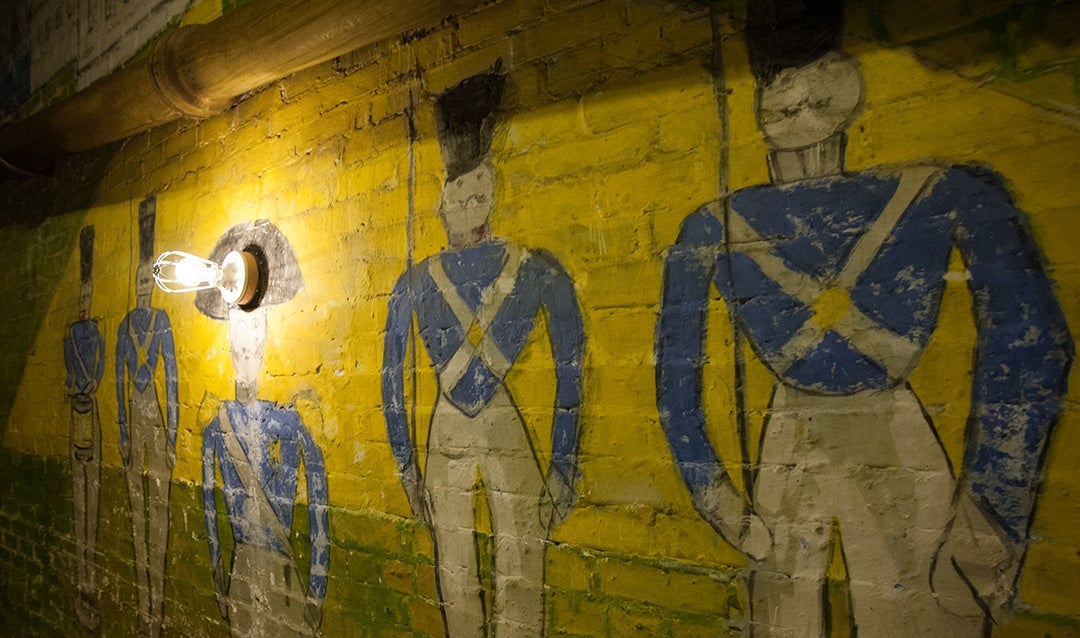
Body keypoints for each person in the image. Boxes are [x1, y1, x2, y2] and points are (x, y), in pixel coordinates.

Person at [655, 1, 1073, 636]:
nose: (799, 109)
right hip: (791, 435)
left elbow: (1033, 344)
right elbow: (675, 379)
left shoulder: (946, 191)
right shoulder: (711, 226)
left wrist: (991, 508)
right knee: (787, 615)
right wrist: (711, 488)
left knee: (921, 614)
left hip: (889, 431)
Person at [382, 65, 585, 637]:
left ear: (492, 192)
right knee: (456, 566)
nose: (471, 206)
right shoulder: (416, 281)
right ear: (441, 202)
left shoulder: (537, 270)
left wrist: (564, 464)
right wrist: (404, 463)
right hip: (448, 426)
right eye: (460, 195)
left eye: (479, 193)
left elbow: (573, 368)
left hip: (492, 420)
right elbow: (390, 381)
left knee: (521, 553)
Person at [197, 221, 329, 637]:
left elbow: (320, 507)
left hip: (283, 574)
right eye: (238, 326)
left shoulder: (290, 423)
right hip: (242, 576)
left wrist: (316, 594)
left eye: (254, 326)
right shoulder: (215, 429)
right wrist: (220, 577)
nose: (246, 338)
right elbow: (207, 511)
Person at [115, 196, 178, 638]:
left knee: (161, 512)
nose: (141, 285)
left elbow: (172, 379)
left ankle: (157, 608)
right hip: (136, 418)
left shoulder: (161, 320)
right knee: (139, 515)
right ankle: (144, 608)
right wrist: (121, 430)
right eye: (137, 278)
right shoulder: (123, 326)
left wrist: (173, 435)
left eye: (146, 278)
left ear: (153, 283)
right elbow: (118, 385)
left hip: (154, 413)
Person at [64, 225, 104, 632]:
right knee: (80, 499)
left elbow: (103, 366)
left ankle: (89, 579)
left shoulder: (95, 331)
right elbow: (66, 369)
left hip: (90, 412)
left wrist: (90, 383)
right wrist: (73, 385)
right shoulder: (74, 334)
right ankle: (82, 578)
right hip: (78, 412)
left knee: (90, 495)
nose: (85, 302)